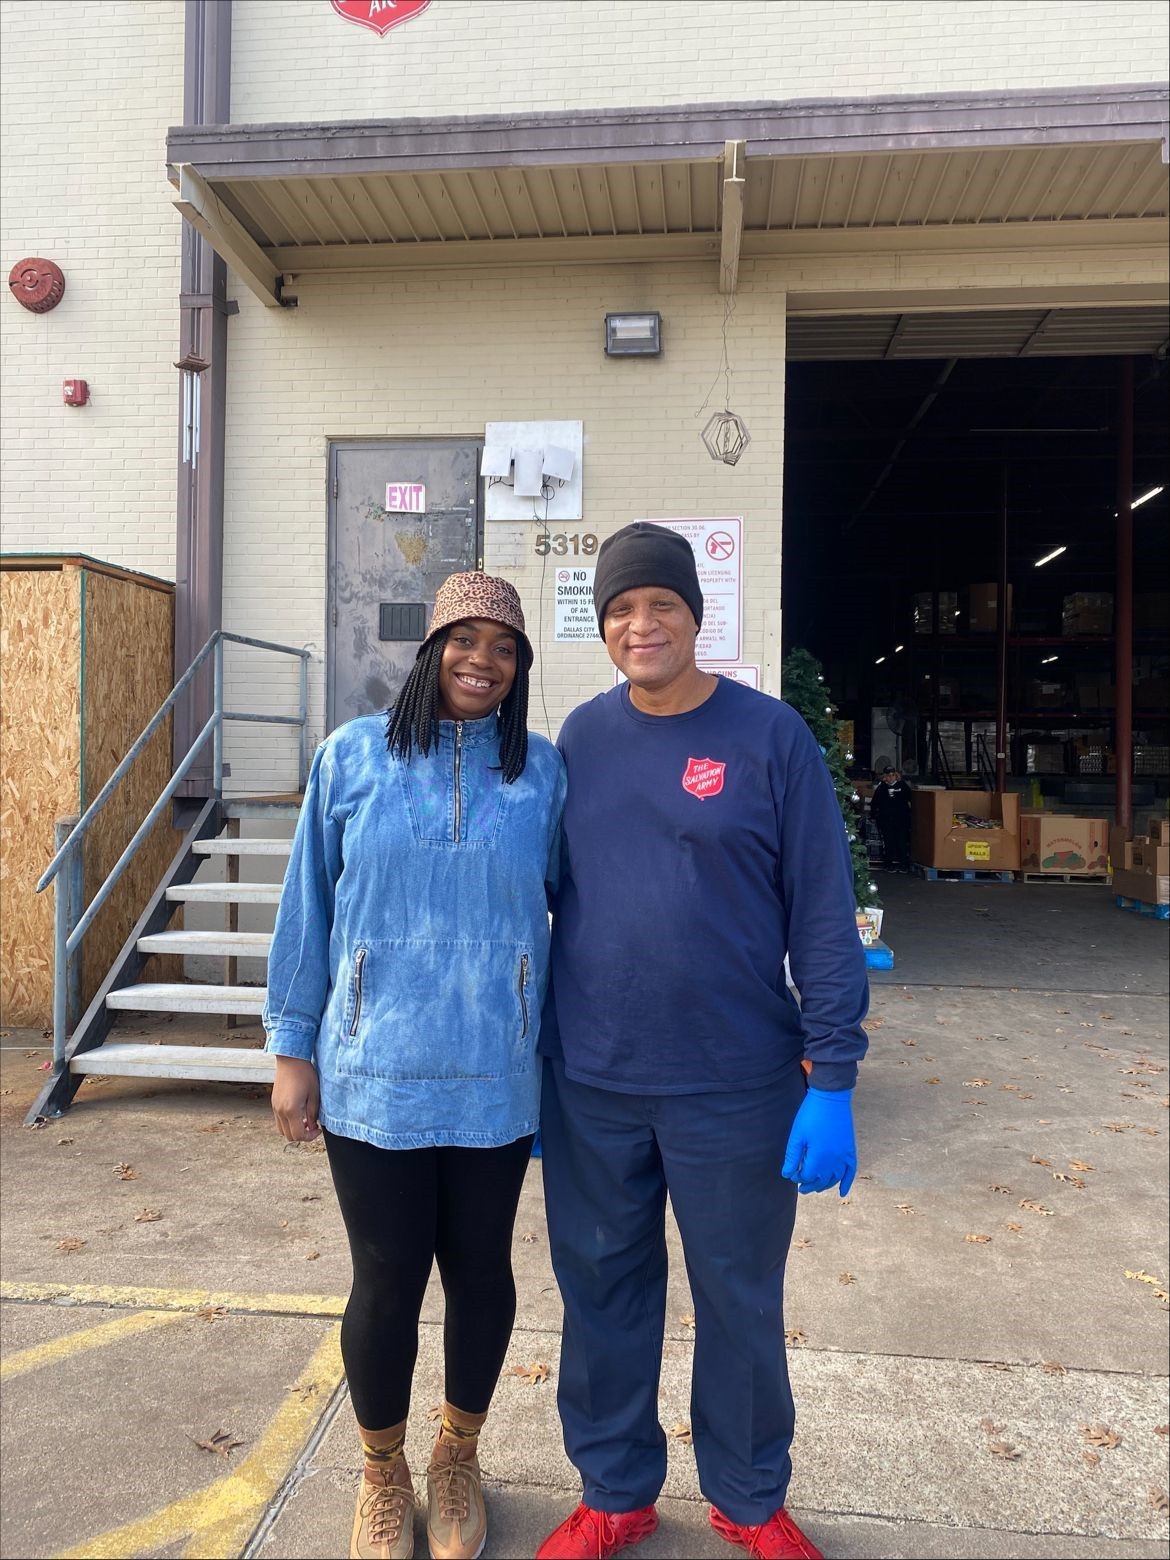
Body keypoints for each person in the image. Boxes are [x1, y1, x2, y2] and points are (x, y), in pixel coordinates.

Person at [535, 523, 868, 1560]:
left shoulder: (770, 739)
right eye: (622, 611)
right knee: (600, 1295)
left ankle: (750, 1496)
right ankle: (615, 1489)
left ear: (695, 615)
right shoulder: (580, 741)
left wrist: (836, 1073)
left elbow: (822, 908)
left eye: (660, 606)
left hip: (736, 1082)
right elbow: (535, 901)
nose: (642, 625)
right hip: (592, 1079)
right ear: (605, 629)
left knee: (738, 1299)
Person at [264, 572, 566, 1560]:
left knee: (481, 1272)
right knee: (387, 1278)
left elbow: (587, 909)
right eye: (463, 639)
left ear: (519, 667)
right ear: (430, 649)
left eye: (504, 646)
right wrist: (291, 1047)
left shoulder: (544, 775)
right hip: (373, 1071)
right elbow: (307, 908)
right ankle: (384, 1470)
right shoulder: (351, 758)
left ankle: (457, 1456)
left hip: (494, 1074)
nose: (483, 660)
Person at [870, 764, 913, 871]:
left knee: (902, 842)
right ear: (885, 777)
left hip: (901, 819)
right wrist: (873, 815)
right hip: (886, 820)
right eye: (888, 775)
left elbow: (911, 798)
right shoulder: (881, 788)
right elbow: (875, 803)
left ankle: (903, 864)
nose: (890, 777)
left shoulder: (903, 786)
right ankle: (888, 864)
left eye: (893, 775)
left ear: (896, 776)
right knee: (888, 842)